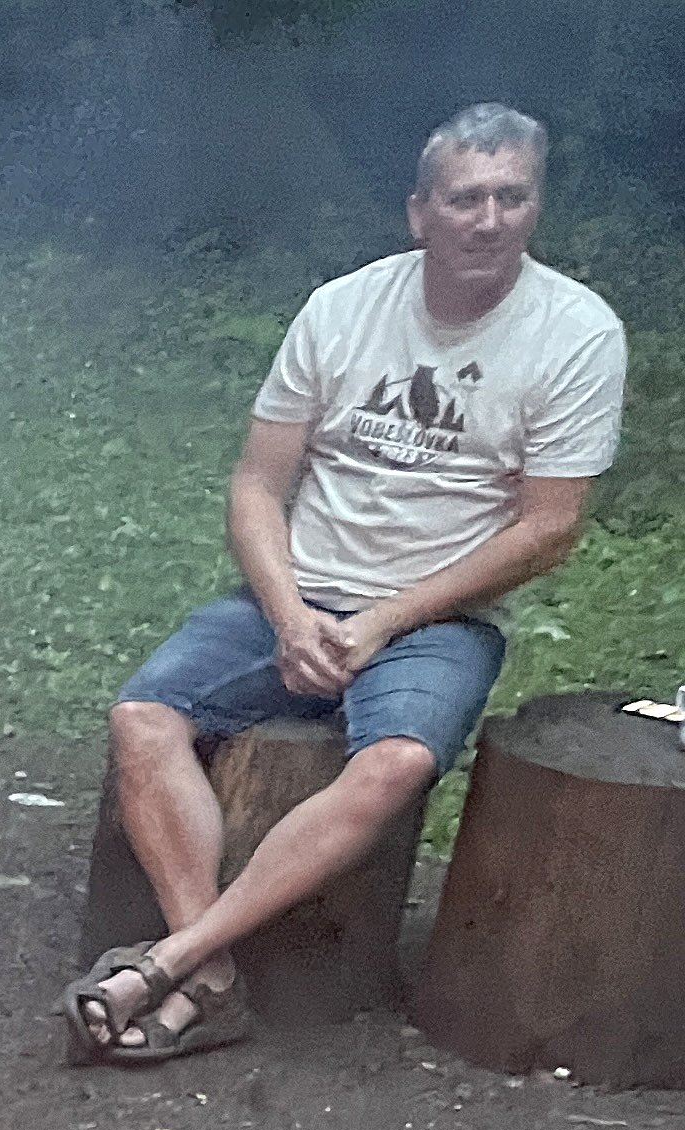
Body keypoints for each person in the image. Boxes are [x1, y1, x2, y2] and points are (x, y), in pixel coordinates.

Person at [81, 102, 625, 1065]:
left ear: (536, 207)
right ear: (420, 212)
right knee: (143, 717)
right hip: (298, 591)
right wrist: (289, 613)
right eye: (465, 198)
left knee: (398, 763)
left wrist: (383, 621)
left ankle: (171, 963)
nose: (488, 219)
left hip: (437, 617)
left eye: (511, 197)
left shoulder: (577, 334)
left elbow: (549, 528)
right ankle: (208, 974)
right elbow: (257, 485)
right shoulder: (343, 309)